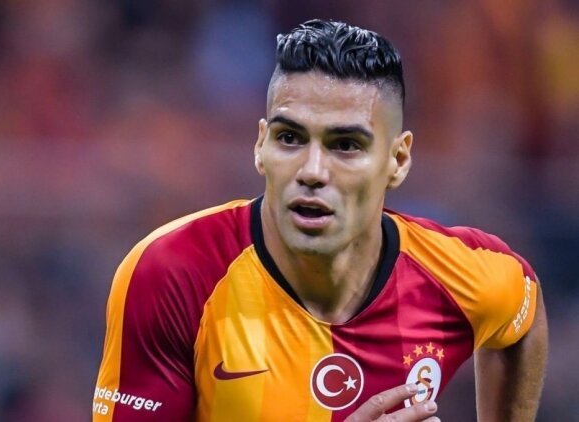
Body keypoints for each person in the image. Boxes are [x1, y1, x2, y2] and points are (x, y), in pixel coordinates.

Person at [93, 19, 548, 421]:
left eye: (345, 145)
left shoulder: (463, 273)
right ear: (260, 146)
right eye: (290, 138)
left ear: (398, 160)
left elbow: (522, 317)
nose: (312, 171)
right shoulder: (171, 273)